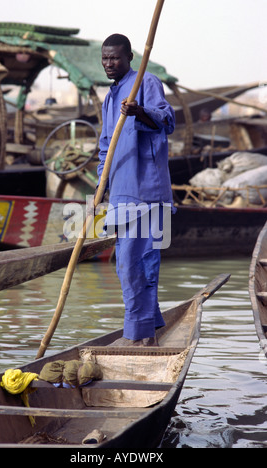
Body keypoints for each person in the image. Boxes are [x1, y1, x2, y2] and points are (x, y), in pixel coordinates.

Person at [97, 34, 176, 347]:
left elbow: (167, 119)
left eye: (114, 58)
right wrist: (102, 185)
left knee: (137, 262)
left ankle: (142, 335)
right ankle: (151, 323)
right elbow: (106, 146)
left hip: (147, 192)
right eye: (105, 58)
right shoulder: (110, 97)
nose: (108, 64)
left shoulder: (146, 81)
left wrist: (139, 111)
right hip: (120, 193)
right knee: (124, 264)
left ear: (129, 57)